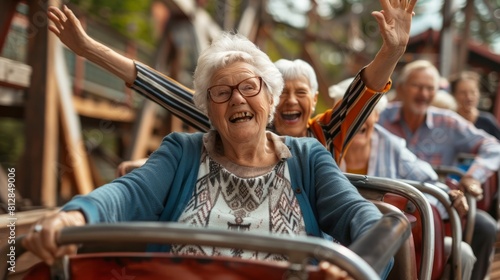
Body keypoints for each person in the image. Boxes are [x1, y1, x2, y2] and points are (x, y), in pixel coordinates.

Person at [24, 26, 391, 279]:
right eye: (221, 92)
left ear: (269, 96)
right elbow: (128, 193)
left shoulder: (308, 156)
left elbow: (358, 215)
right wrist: (74, 218)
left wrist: (358, 261)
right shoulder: (182, 152)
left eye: (250, 86)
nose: (237, 99)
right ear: (208, 108)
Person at [330, 82, 476, 279]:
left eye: (365, 110)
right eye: (348, 111)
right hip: (337, 234)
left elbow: (428, 180)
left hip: (385, 237)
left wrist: (450, 193)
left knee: (463, 252)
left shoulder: (391, 145)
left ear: (377, 116)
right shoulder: (324, 144)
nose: (357, 118)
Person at [378, 59, 500, 280]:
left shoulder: (449, 122)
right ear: (402, 88)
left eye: (430, 88)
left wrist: (473, 177)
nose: (424, 93)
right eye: (417, 86)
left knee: (484, 226)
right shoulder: (381, 117)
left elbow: (493, 147)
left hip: (437, 207)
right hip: (389, 204)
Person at [449, 71, 500, 140]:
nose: (469, 97)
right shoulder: (449, 121)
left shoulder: (487, 122)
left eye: (473, 92)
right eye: (463, 93)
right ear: (454, 95)